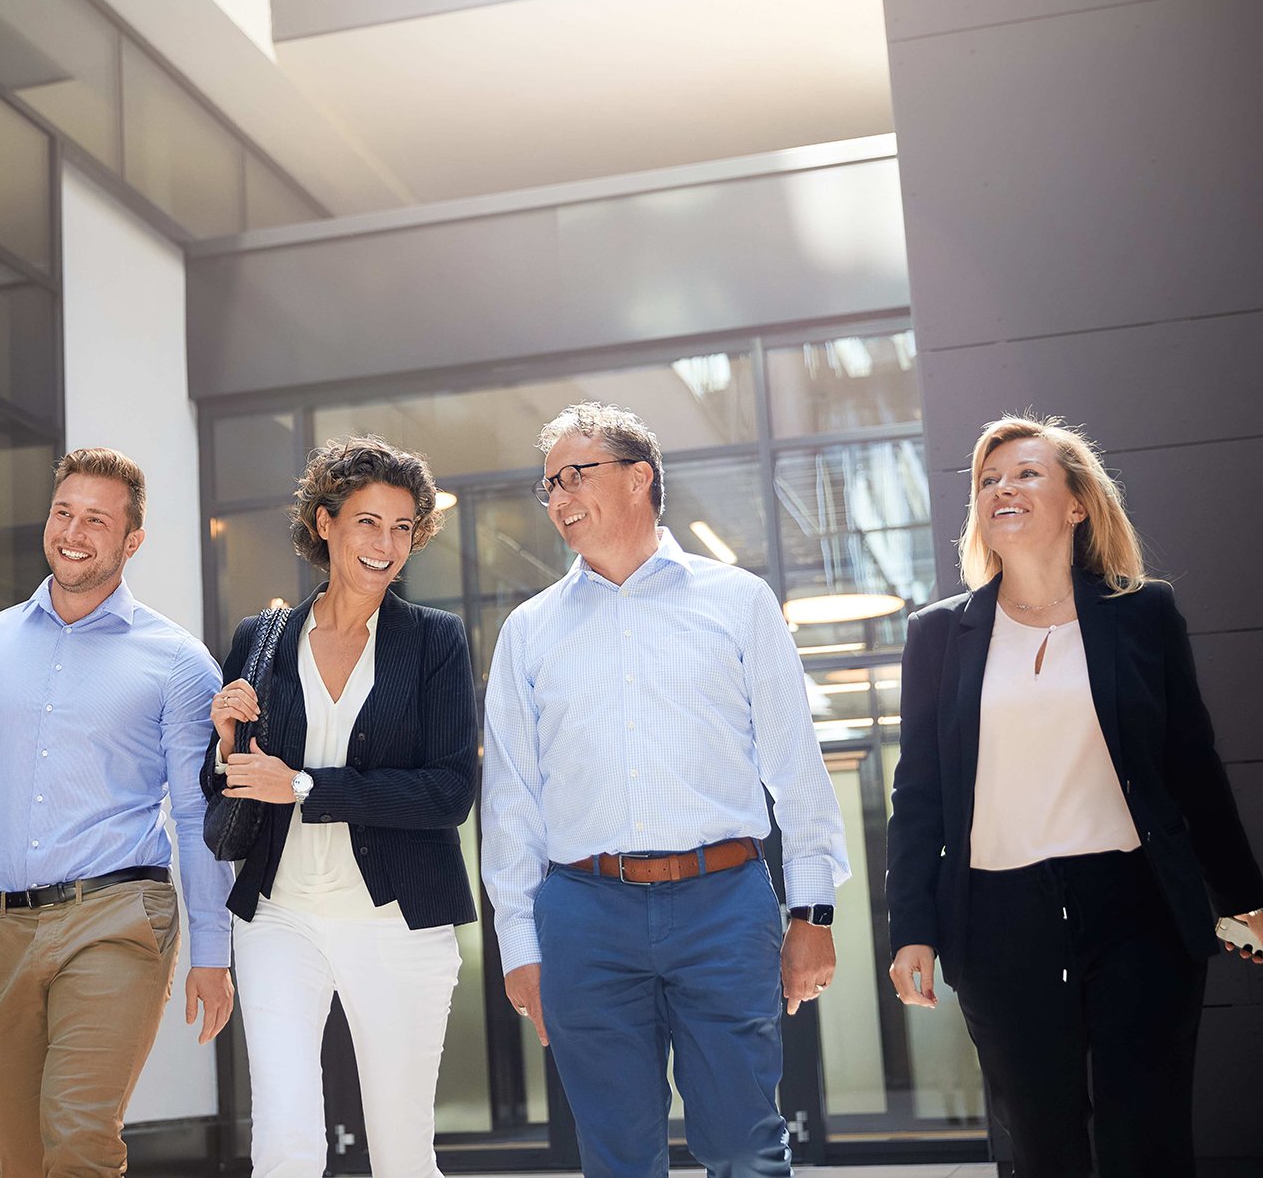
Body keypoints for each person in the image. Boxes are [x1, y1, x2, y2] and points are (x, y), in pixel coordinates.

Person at [886, 415, 1263, 1176]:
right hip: (996, 919)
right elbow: (917, 793)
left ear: (1077, 503)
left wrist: (1244, 893)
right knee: (1040, 1145)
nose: (1002, 489)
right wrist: (912, 928)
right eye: (988, 480)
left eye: (1026, 473)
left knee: (1146, 1142)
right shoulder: (937, 636)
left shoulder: (1142, 613)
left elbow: (1191, 763)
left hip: (1138, 907)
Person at [481, 402, 849, 1178]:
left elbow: (796, 766)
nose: (558, 498)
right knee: (616, 1159)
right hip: (583, 914)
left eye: (576, 475)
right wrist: (518, 943)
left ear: (641, 476)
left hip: (723, 904)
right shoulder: (529, 630)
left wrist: (813, 910)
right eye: (549, 483)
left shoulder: (739, 601)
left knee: (744, 1147)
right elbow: (513, 800)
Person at [0, 447, 235, 1177]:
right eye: (63, 512)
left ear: (132, 541)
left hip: (118, 918)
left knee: (78, 1135)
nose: (73, 531)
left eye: (96, 519)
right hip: (1, 928)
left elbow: (198, 814)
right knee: (19, 1151)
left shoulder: (176, 661)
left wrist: (212, 951)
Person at [203, 436, 477, 1177]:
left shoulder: (435, 642)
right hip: (279, 918)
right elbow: (227, 787)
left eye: (402, 527)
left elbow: (450, 789)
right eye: (367, 522)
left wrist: (306, 786)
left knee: (399, 1151)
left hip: (397, 922)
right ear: (324, 522)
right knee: (285, 1144)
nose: (387, 544)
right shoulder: (259, 640)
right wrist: (225, 741)